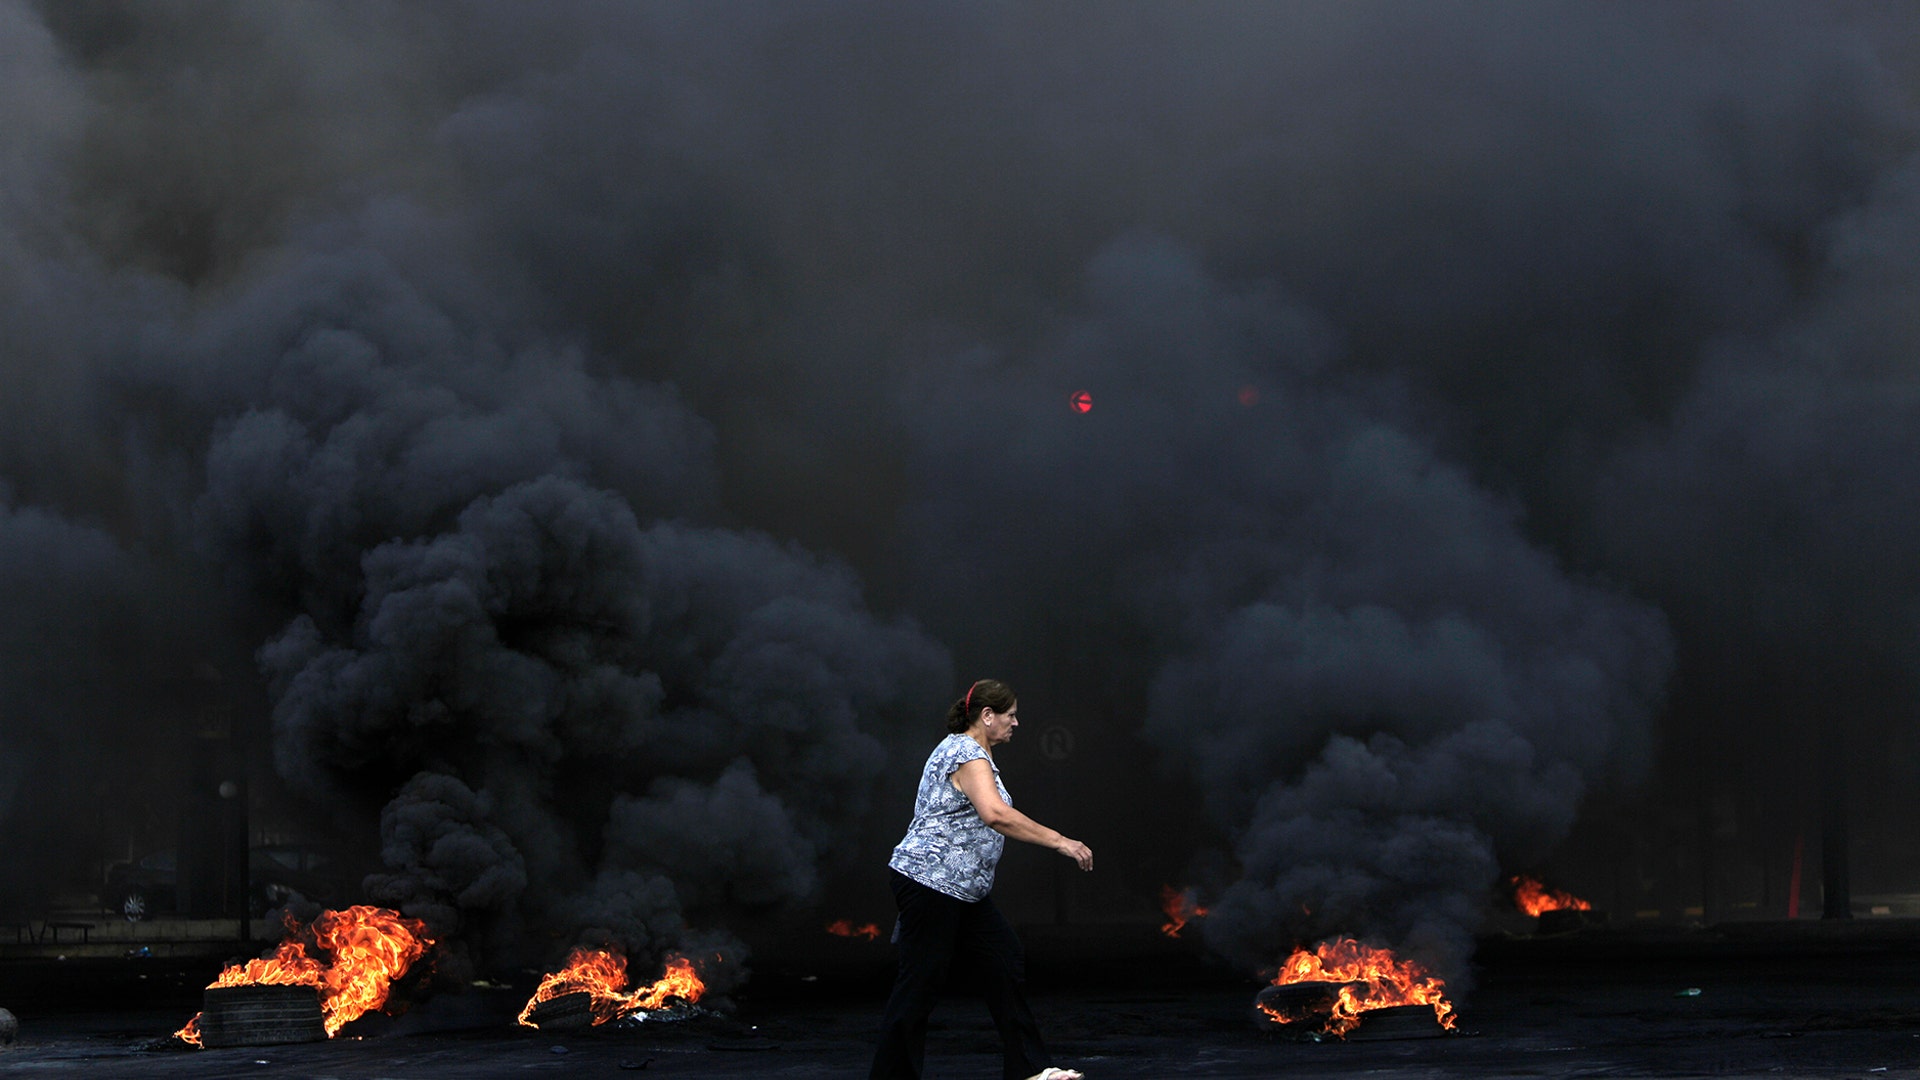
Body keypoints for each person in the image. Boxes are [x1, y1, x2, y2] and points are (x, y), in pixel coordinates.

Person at [870, 678, 1093, 1080]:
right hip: (930, 883)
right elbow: (996, 815)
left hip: (963, 892)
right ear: (986, 716)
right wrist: (1060, 841)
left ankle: (1029, 1069)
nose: (1016, 723)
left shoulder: (975, 755)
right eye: (1010, 715)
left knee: (1003, 960)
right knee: (920, 984)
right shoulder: (965, 752)